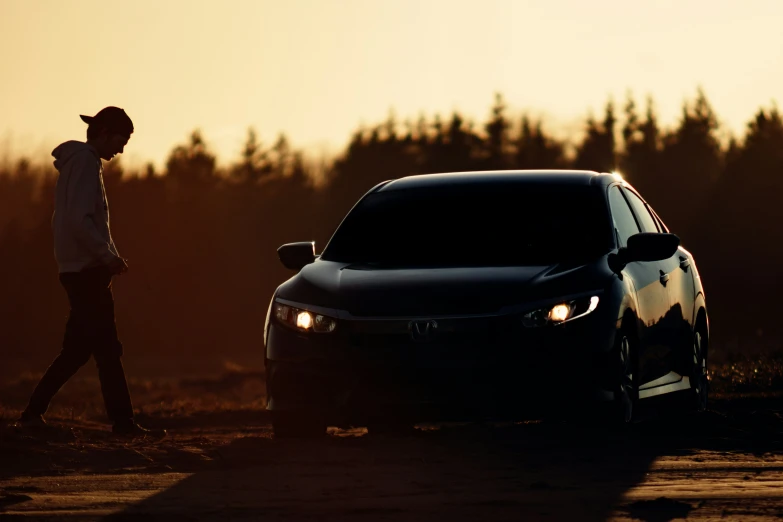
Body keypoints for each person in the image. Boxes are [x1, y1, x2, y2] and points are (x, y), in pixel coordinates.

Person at [16, 107, 165, 438]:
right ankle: (123, 424)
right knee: (106, 351)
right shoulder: (84, 163)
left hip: (80, 269)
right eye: (120, 140)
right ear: (104, 133)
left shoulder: (78, 163)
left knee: (83, 351)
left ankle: (33, 412)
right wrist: (106, 256)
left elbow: (68, 220)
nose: (122, 148)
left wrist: (105, 256)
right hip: (87, 272)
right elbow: (78, 220)